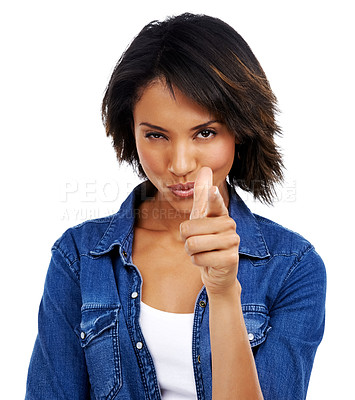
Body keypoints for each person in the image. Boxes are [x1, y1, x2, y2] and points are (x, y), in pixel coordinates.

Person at [25, 13, 326, 400]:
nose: (180, 164)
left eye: (205, 132)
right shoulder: (80, 258)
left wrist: (222, 293)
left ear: (241, 129)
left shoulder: (293, 267)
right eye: (155, 135)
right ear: (129, 132)